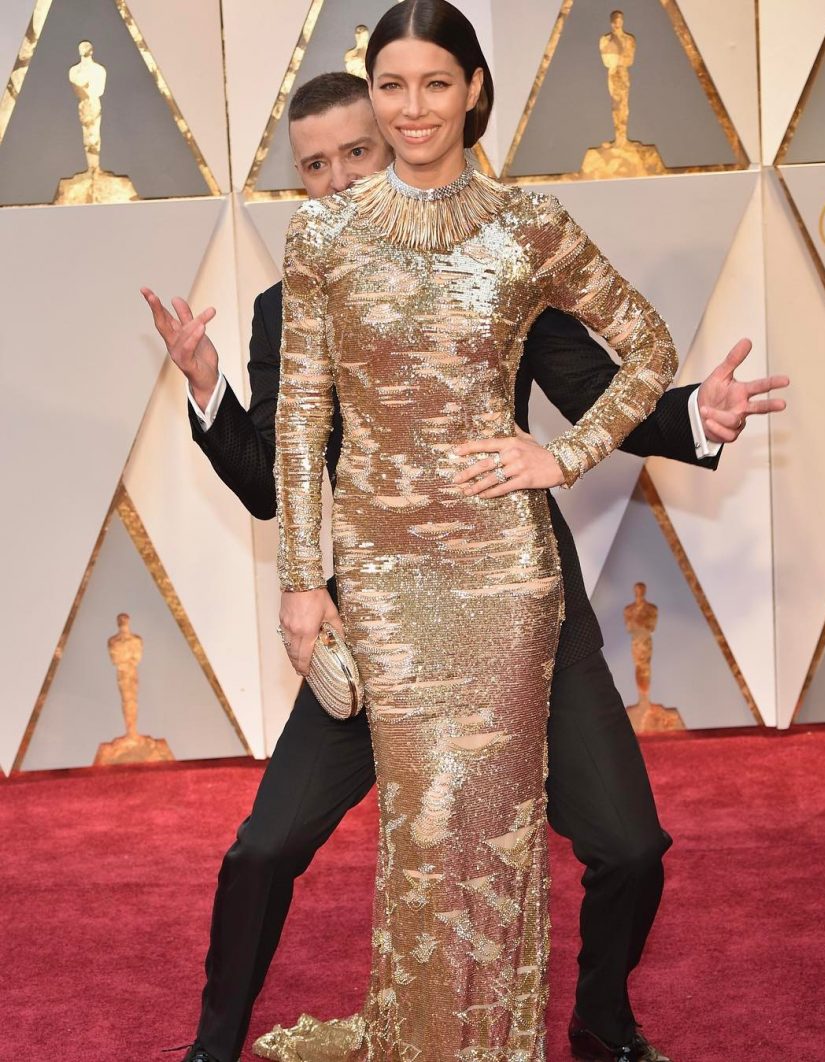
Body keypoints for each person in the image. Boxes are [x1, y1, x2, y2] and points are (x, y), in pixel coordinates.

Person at [142, 69, 787, 1062]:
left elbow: (591, 385)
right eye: (313, 166)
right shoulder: (290, 304)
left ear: (405, 137)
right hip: (377, 629)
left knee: (630, 846)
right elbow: (274, 483)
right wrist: (206, 388)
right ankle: (211, 1048)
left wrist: (692, 413)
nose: (337, 178)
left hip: (513, 618)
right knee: (265, 847)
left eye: (356, 152)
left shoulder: (497, 258)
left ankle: (601, 1025)